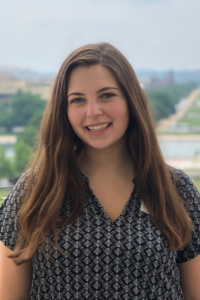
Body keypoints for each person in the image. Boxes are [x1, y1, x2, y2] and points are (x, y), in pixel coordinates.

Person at [0, 43, 200, 300]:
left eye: (107, 95)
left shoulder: (175, 188)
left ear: (130, 100)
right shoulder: (35, 189)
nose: (93, 112)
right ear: (65, 110)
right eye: (78, 100)